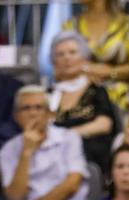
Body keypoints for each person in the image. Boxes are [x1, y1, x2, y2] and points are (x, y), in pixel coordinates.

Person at [0, 86, 90, 200]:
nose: (33, 113)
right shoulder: (8, 149)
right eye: (26, 108)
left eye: (39, 108)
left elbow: (72, 185)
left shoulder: (69, 138)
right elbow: (15, 197)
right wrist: (26, 152)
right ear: (16, 117)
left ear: (49, 114)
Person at [49, 31, 121, 178]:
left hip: (89, 153)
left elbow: (104, 125)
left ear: (84, 58)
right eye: (60, 54)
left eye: (72, 52)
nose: (67, 58)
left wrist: (68, 135)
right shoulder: (48, 94)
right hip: (52, 155)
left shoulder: (97, 90)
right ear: (54, 62)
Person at [62, 0, 129, 111]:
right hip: (80, 99)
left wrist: (109, 72)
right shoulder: (71, 25)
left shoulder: (127, 24)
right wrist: (85, 72)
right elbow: (60, 67)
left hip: (121, 101)